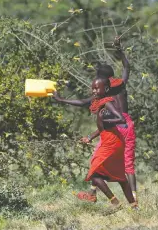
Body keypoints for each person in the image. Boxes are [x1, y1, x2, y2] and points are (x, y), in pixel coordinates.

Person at [53, 36, 137, 202]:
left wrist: (62, 100)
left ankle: (97, 195)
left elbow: (84, 103)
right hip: (127, 125)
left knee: (99, 159)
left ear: (102, 80)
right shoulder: (121, 84)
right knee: (125, 163)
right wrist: (119, 50)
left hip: (116, 126)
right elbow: (127, 67)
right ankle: (133, 199)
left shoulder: (102, 93)